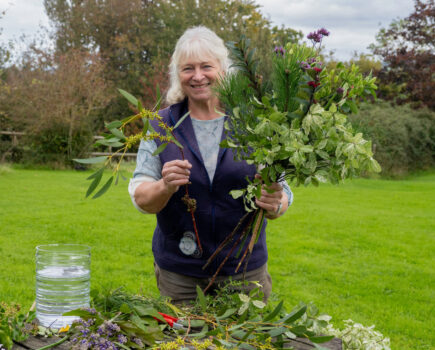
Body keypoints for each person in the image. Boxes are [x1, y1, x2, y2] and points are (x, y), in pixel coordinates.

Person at [128, 26, 293, 303]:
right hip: (181, 276)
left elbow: (282, 192)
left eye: (206, 66)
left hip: (244, 273)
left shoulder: (255, 122)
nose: (198, 76)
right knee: (183, 345)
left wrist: (276, 203)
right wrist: (165, 186)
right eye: (187, 68)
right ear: (177, 75)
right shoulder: (160, 125)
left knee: (245, 346)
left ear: (223, 70)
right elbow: (141, 198)